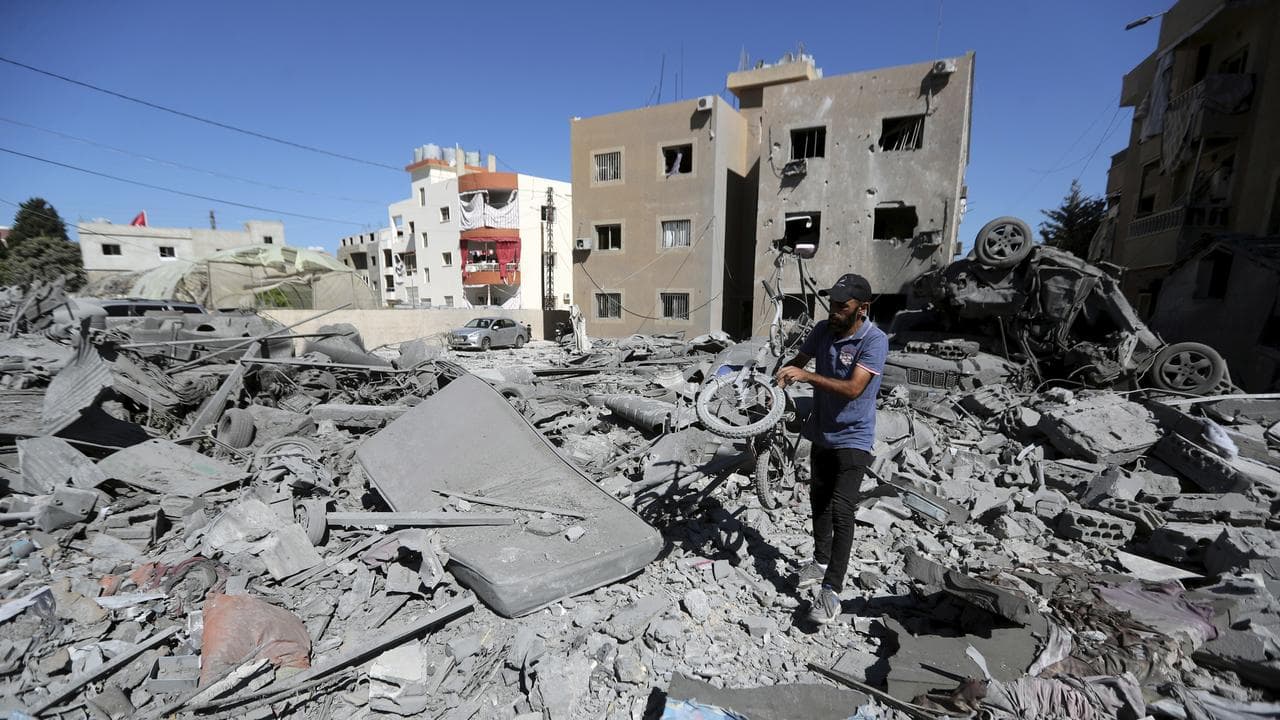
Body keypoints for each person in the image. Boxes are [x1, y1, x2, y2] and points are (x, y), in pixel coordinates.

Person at [775, 273, 888, 624]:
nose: (834, 310)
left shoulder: (874, 340)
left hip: (854, 436)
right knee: (818, 500)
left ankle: (831, 591)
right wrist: (781, 372)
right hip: (822, 431)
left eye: (843, 306)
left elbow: (854, 389)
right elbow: (801, 357)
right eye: (832, 304)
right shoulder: (824, 329)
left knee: (841, 509)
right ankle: (820, 560)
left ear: (862, 308)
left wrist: (806, 377)